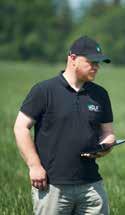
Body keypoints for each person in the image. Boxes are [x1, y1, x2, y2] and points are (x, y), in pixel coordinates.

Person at [13, 36, 115, 215]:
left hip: (92, 185)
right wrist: (34, 166)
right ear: (73, 58)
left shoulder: (101, 94)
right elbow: (20, 127)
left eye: (99, 63)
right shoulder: (44, 91)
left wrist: (106, 146)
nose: (97, 67)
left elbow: (108, 133)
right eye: (91, 62)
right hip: (52, 186)